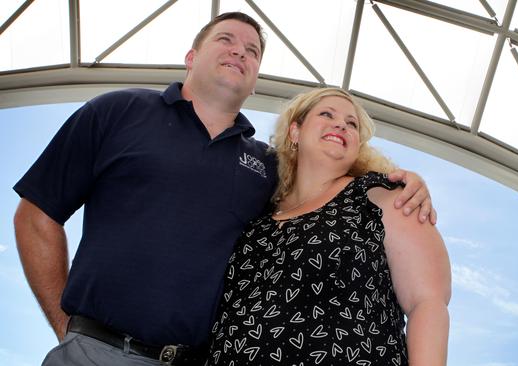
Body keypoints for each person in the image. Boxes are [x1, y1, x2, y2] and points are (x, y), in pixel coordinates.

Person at [13, 11, 436, 366]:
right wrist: (64, 321)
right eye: (227, 40)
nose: (240, 51)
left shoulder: (268, 170)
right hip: (95, 351)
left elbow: (321, 196)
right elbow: (37, 212)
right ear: (191, 57)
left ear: (254, 82)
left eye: (253, 51)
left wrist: (402, 182)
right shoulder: (116, 112)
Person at [207, 88, 451, 365]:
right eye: (327, 114)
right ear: (295, 132)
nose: (341, 125)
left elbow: (427, 303)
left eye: (352, 124)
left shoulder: (383, 196)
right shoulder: (259, 217)